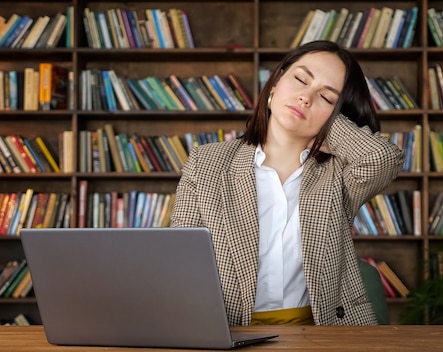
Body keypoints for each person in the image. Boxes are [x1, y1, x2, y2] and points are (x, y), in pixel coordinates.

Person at [171, 40, 403, 326]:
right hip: (226, 329)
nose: (306, 97)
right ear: (276, 82)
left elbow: (381, 158)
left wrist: (327, 125)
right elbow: (178, 260)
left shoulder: (338, 175)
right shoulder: (206, 163)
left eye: (327, 98)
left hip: (322, 333)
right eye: (300, 79)